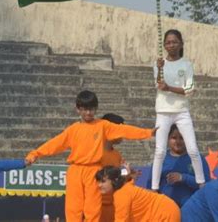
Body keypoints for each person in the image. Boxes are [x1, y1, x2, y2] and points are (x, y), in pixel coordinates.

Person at [26, 90, 156, 222]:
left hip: (93, 171)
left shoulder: (102, 126)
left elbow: (124, 130)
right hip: (75, 170)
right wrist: (36, 153)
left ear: (96, 109)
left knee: (92, 209)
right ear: (78, 109)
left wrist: (148, 132)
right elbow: (55, 143)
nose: (88, 113)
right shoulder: (73, 129)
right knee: (73, 208)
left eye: (91, 109)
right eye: (84, 109)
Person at [152, 29, 206, 191]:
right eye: (168, 42)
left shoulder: (186, 64)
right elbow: (159, 85)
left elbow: (189, 89)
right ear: (164, 45)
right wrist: (159, 70)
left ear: (181, 44)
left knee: (193, 149)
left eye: (175, 42)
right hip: (163, 111)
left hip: (182, 111)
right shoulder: (159, 63)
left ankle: (201, 183)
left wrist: (169, 88)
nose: (171, 45)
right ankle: (154, 187)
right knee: (160, 151)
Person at [147, 124, 211, 207]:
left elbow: (207, 186)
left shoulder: (197, 159)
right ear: (168, 139)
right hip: (166, 209)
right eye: (174, 138)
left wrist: (183, 178)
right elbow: (150, 187)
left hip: (190, 210)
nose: (178, 141)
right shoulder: (160, 159)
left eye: (181, 138)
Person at [96, 166, 180, 222]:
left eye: (103, 182)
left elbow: (121, 220)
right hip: (167, 209)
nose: (99, 185)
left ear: (114, 180)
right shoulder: (125, 188)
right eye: (98, 181)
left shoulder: (121, 194)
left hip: (164, 213)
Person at [100, 113, 125, 222]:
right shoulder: (94, 153)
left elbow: (120, 176)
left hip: (112, 205)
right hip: (96, 205)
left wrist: (128, 175)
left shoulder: (117, 155)